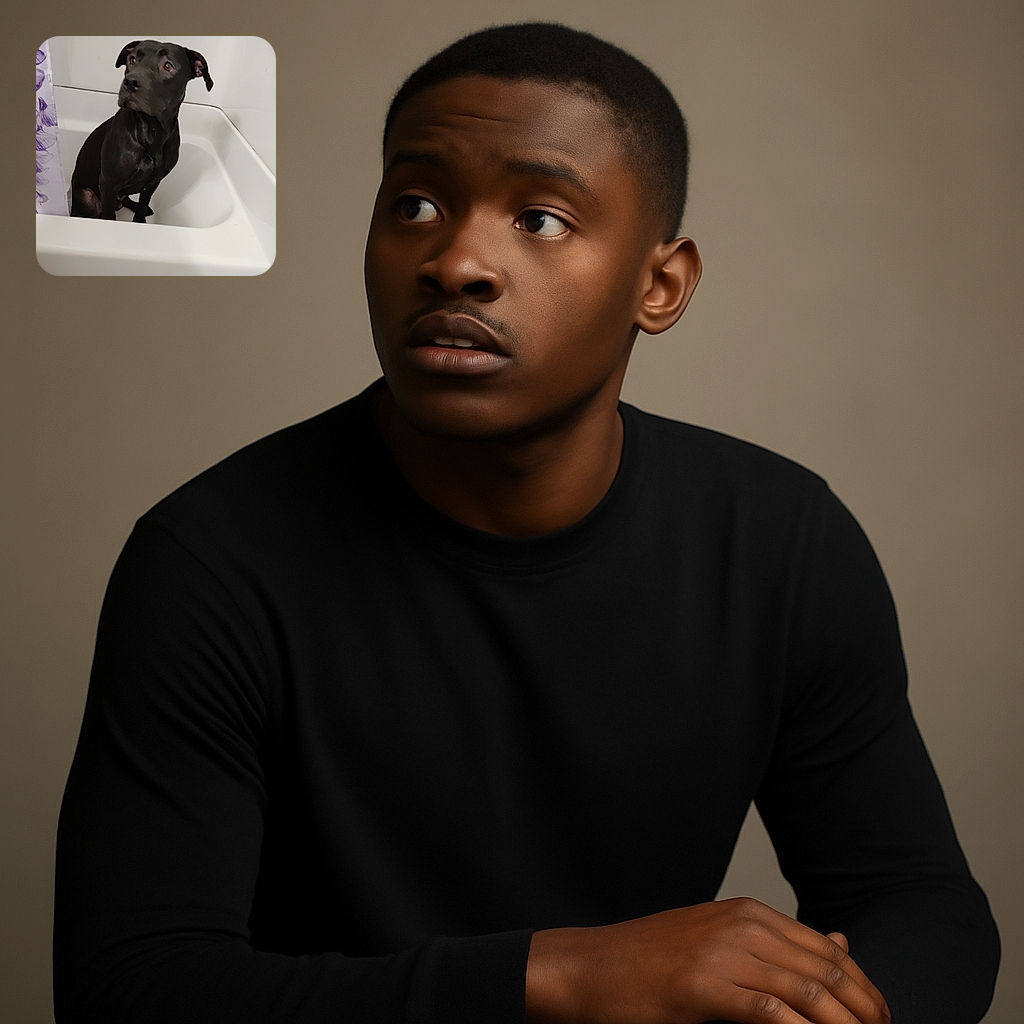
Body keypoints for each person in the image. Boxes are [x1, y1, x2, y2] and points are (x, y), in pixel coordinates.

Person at [54, 22, 999, 1024]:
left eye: (541, 218)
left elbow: (923, 906)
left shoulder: (778, 540)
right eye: (413, 204)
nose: (455, 259)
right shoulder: (211, 563)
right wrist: (563, 977)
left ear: (658, 284)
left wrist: (812, 1011)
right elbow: (132, 990)